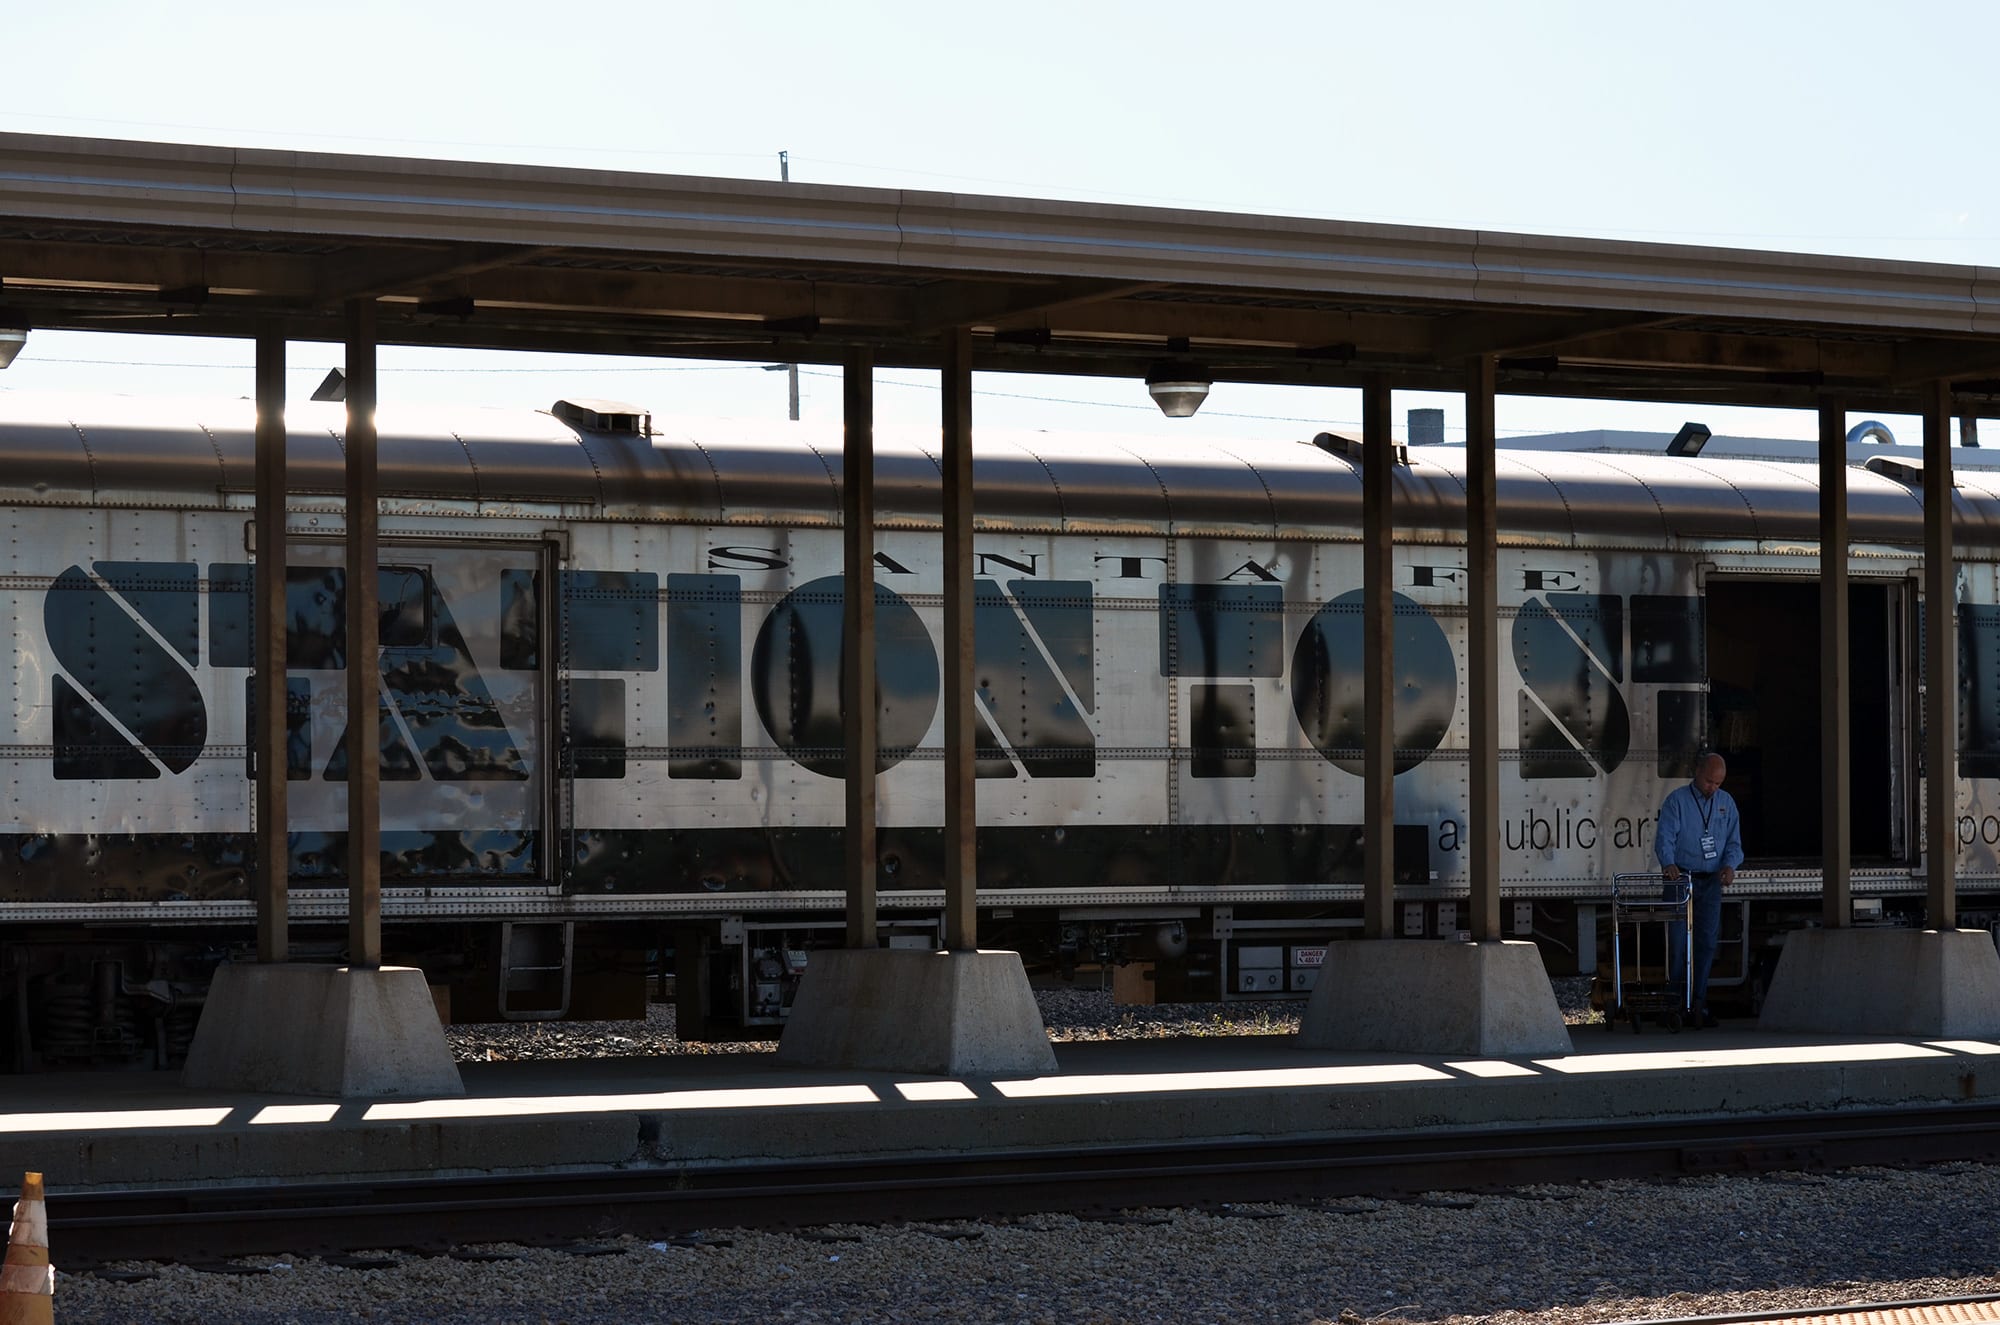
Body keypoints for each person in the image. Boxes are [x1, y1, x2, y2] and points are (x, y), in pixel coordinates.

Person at [1654, 752, 1743, 1028]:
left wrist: (1730, 866)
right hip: (1682, 878)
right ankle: (1674, 1005)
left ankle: (1699, 1003)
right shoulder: (1677, 801)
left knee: (1706, 943)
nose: (1712, 788)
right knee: (1678, 944)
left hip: (1711, 881)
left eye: (1718, 783)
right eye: (1708, 781)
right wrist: (1668, 863)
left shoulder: (1726, 803)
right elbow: (1665, 837)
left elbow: (1734, 844)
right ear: (1697, 772)